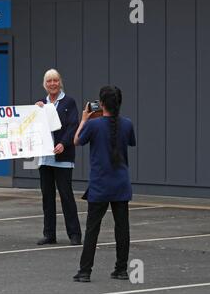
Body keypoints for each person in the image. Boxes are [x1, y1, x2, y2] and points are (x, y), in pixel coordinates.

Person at [73, 86, 136, 282]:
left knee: (93, 228)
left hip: (100, 184)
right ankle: (121, 269)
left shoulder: (93, 125)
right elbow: (131, 143)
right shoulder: (127, 124)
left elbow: (76, 141)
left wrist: (84, 119)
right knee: (122, 228)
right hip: (121, 183)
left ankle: (85, 271)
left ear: (101, 104)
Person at [35, 69, 82, 246]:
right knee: (47, 197)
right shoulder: (41, 104)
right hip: (45, 158)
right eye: (49, 81)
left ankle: (74, 234)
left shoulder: (69, 102)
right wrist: (35, 112)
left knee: (66, 196)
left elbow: (72, 125)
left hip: (63, 158)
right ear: (44, 84)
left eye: (55, 80)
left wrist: (63, 143)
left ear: (60, 82)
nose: (52, 84)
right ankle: (49, 234)